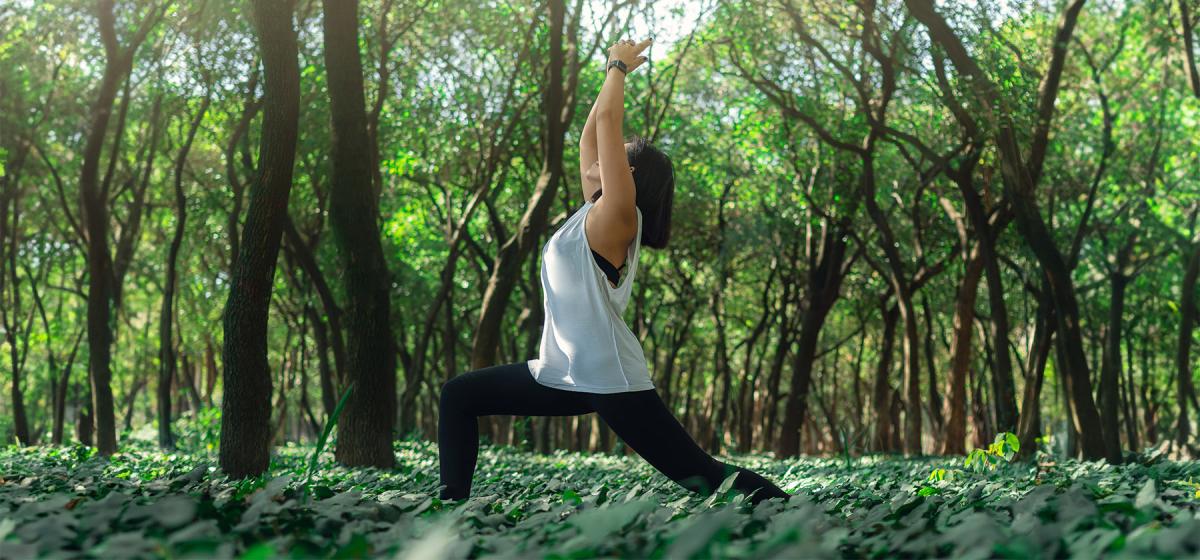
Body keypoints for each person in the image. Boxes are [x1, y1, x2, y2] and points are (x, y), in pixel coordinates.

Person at [437, 36, 791, 507]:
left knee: (701, 475)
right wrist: (611, 77)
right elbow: (590, 134)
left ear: (628, 177)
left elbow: (607, 121)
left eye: (612, 157)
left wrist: (617, 66)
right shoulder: (594, 211)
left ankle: (792, 514)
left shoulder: (619, 216)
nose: (596, 160)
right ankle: (449, 506)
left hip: (609, 377)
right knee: (459, 396)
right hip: (562, 372)